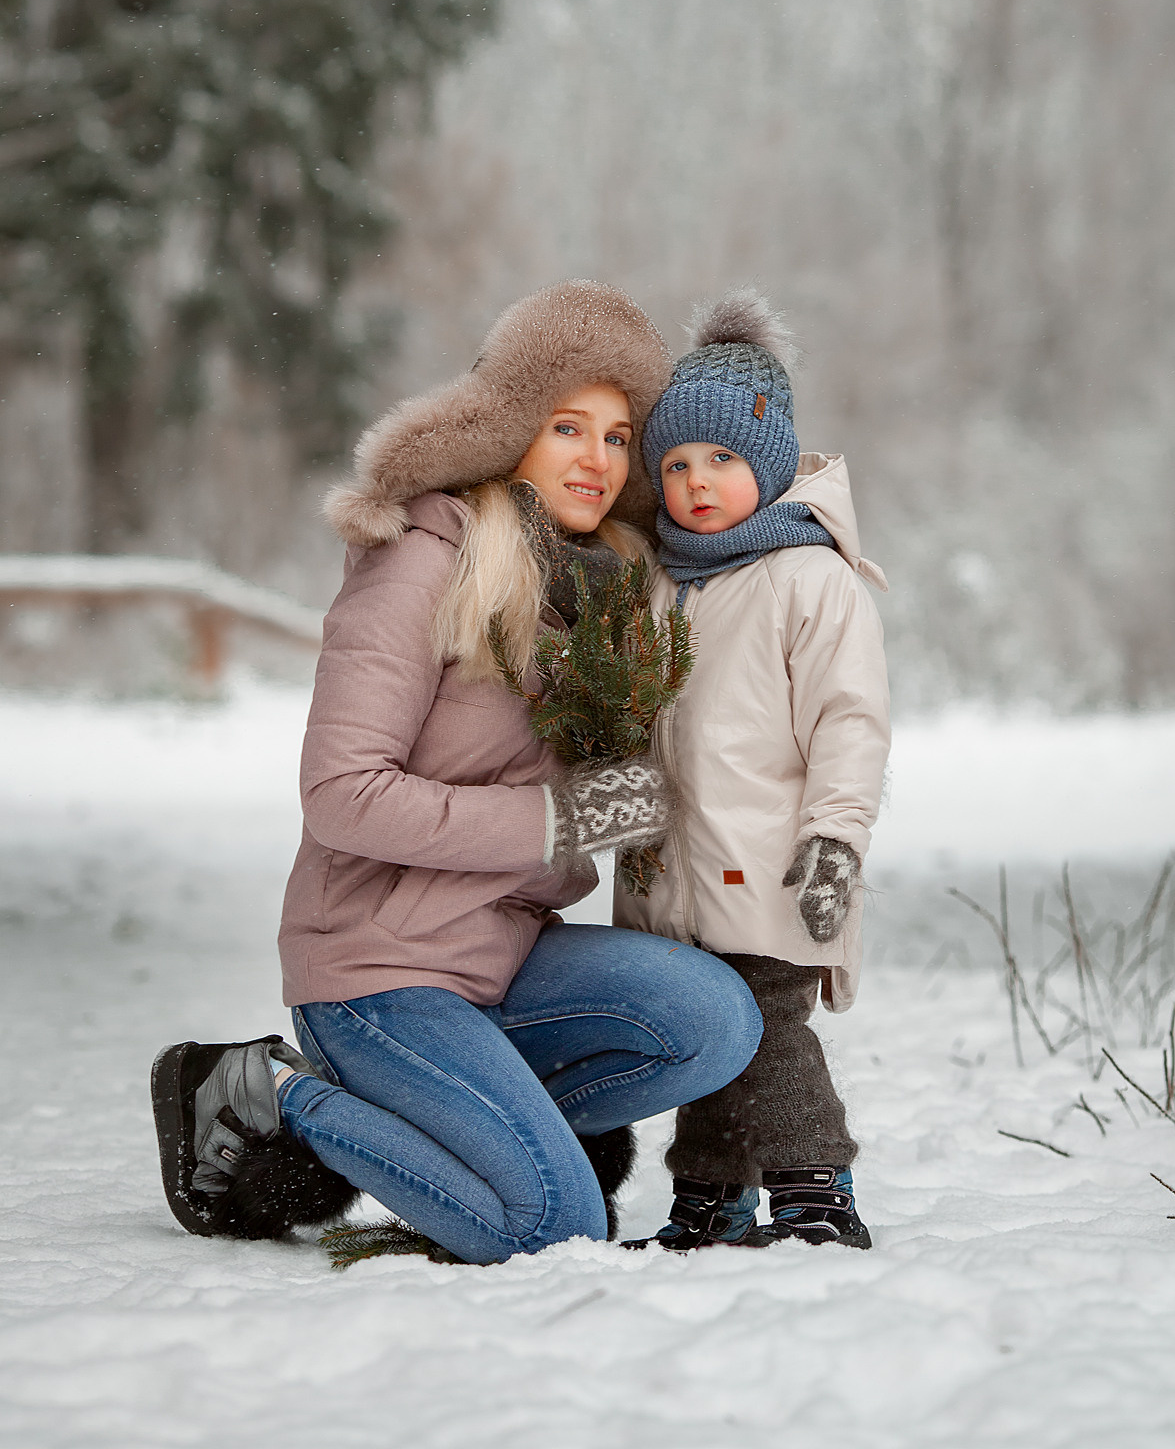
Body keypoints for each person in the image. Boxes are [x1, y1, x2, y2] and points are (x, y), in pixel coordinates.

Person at [152, 280, 763, 1265]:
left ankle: (476, 1131)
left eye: (617, 438)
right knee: (548, 1226)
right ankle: (273, 1092)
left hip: (504, 961)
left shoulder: (598, 598)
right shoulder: (421, 562)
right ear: (515, 427)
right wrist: (558, 822)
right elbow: (342, 795)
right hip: (376, 972)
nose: (595, 459)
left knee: (711, 1021)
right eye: (570, 426)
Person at [615, 290, 891, 1252]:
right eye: (677, 463)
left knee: (769, 1036)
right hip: (676, 877)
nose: (696, 482)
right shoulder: (661, 579)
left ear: (767, 465)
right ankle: (710, 1200)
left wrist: (836, 843)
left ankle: (817, 1194)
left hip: (773, 869)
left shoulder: (807, 578)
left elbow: (850, 723)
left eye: (722, 460)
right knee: (708, 1048)